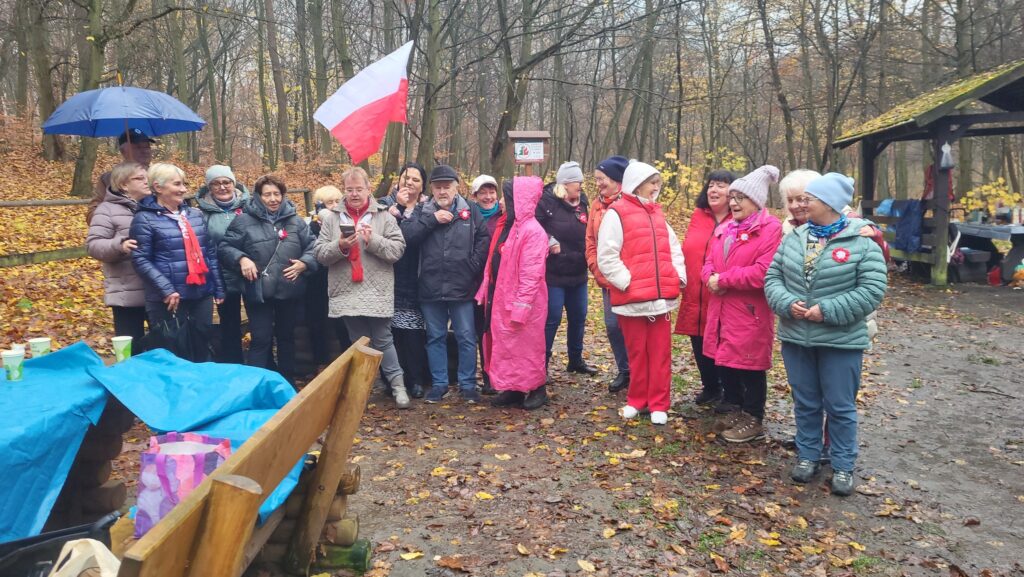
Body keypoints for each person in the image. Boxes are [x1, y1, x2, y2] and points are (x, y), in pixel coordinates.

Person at [765, 172, 887, 496]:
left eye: (810, 199)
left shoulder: (862, 241)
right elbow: (772, 277)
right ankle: (808, 455)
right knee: (805, 401)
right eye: (802, 198)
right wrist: (787, 303)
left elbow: (873, 290)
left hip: (841, 340)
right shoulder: (795, 236)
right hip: (796, 337)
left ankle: (843, 464)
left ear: (830, 204)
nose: (802, 204)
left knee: (839, 405)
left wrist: (828, 310)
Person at [598, 161, 686, 425]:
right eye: (653, 182)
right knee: (637, 353)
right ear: (638, 182)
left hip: (660, 300)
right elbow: (607, 255)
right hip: (633, 300)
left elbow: (673, 249)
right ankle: (637, 400)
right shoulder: (617, 213)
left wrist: (678, 276)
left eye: (658, 182)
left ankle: (659, 403)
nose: (657, 187)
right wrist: (627, 282)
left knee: (660, 354)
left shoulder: (658, 214)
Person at [314, 168, 409, 408]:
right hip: (346, 289)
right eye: (349, 189)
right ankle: (365, 387)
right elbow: (320, 254)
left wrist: (372, 240)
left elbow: (397, 250)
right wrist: (341, 245)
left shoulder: (384, 216)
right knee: (358, 341)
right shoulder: (332, 218)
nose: (354, 194)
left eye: (359, 189)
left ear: (369, 189)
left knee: (384, 339)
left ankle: (398, 386)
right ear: (344, 190)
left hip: (377, 288)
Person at [701, 165, 782, 443]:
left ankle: (753, 417)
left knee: (750, 365)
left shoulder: (770, 229)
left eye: (740, 198)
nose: (733, 203)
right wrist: (709, 277)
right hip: (722, 309)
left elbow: (763, 271)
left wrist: (722, 280)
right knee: (726, 360)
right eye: (732, 197)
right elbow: (708, 261)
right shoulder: (726, 228)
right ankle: (734, 407)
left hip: (749, 311)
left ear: (756, 201)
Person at [402, 165, 490, 404]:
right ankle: (439, 384)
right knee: (435, 337)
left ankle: (468, 384)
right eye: (438, 187)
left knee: (466, 336)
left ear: (456, 187)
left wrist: (472, 266)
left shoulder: (471, 210)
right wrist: (432, 220)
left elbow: (484, 238)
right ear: (431, 188)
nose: (442, 191)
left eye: (447, 186)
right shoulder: (422, 210)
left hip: (462, 286)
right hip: (429, 285)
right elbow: (408, 237)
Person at [219, 175, 317, 384]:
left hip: (289, 289)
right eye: (267, 194)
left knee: (286, 338)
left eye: (276, 194)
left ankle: (286, 383)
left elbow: (313, 246)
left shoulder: (295, 221)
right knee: (261, 339)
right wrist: (242, 259)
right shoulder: (243, 221)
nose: (273, 199)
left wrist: (305, 263)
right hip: (258, 291)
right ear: (258, 196)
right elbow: (225, 248)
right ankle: (256, 385)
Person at [130, 163, 224, 361]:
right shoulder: (144, 219)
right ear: (158, 187)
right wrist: (166, 289)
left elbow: (210, 253)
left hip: (201, 294)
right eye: (177, 184)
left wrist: (218, 287)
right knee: (172, 353)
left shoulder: (195, 215)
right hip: (169, 298)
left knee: (201, 348)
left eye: (184, 184)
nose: (183, 189)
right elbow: (140, 258)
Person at [481, 176, 550, 409]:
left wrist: (522, 305)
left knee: (529, 347)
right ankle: (514, 388)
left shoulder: (533, 232)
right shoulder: (516, 228)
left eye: (505, 197)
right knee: (509, 346)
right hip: (505, 298)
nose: (500, 201)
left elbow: (531, 273)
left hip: (525, 303)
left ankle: (537, 388)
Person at [673, 169, 734, 408]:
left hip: (721, 293)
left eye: (720, 185)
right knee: (698, 341)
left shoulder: (737, 219)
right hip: (694, 293)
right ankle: (710, 387)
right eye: (711, 185)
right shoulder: (699, 215)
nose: (713, 190)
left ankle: (730, 392)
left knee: (723, 343)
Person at [537, 161, 597, 375]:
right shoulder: (547, 202)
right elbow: (534, 228)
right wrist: (549, 239)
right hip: (554, 273)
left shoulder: (583, 203)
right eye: (576, 182)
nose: (580, 185)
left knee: (578, 317)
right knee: (552, 319)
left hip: (578, 272)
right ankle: (540, 365)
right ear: (564, 183)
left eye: (580, 181)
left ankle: (575, 360)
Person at [86, 162, 151, 343]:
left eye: (147, 178)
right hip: (126, 293)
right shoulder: (106, 210)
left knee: (165, 345)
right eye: (139, 178)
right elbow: (93, 245)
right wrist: (119, 246)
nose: (147, 182)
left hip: (157, 290)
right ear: (123, 184)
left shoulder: (153, 207)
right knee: (131, 348)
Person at [385, 162, 431, 399]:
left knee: (414, 333)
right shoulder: (385, 205)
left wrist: (406, 211)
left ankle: (416, 379)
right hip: (389, 275)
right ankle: (392, 379)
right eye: (406, 178)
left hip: (417, 274)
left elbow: (412, 237)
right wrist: (398, 208)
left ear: (422, 185)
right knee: (390, 333)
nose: (409, 182)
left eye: (415, 179)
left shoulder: (427, 208)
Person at [196, 165, 251, 363]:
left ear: (233, 183)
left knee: (259, 321)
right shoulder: (201, 213)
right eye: (216, 183)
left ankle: (261, 362)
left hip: (251, 271)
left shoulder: (250, 206)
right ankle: (233, 361)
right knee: (229, 322)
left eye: (226, 182)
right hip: (221, 274)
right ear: (209, 187)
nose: (222, 187)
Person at [585, 155, 631, 393]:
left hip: (628, 279)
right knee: (613, 326)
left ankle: (639, 371)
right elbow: (591, 240)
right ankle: (625, 370)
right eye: (596, 179)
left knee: (631, 325)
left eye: (601, 179)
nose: (598, 183)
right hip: (605, 279)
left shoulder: (630, 203)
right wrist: (596, 267)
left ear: (616, 180)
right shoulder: (596, 204)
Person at [307, 185, 349, 370]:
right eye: (328, 202)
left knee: (343, 324)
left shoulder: (346, 222)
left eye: (336, 201)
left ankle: (349, 363)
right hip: (317, 279)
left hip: (341, 279)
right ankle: (320, 363)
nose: (333, 206)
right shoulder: (311, 225)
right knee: (317, 321)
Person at [470, 173, 503, 394]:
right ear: (475, 196)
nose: (488, 196)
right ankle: (486, 375)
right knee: (479, 329)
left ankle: (499, 374)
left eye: (491, 192)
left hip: (499, 283)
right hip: (474, 282)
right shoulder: (469, 216)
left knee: (497, 330)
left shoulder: (505, 217)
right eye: (483, 192)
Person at [87, 129, 156, 225]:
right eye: (137, 147)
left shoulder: (160, 175)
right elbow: (92, 215)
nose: (144, 151)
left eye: (147, 147)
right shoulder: (108, 179)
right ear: (123, 152)